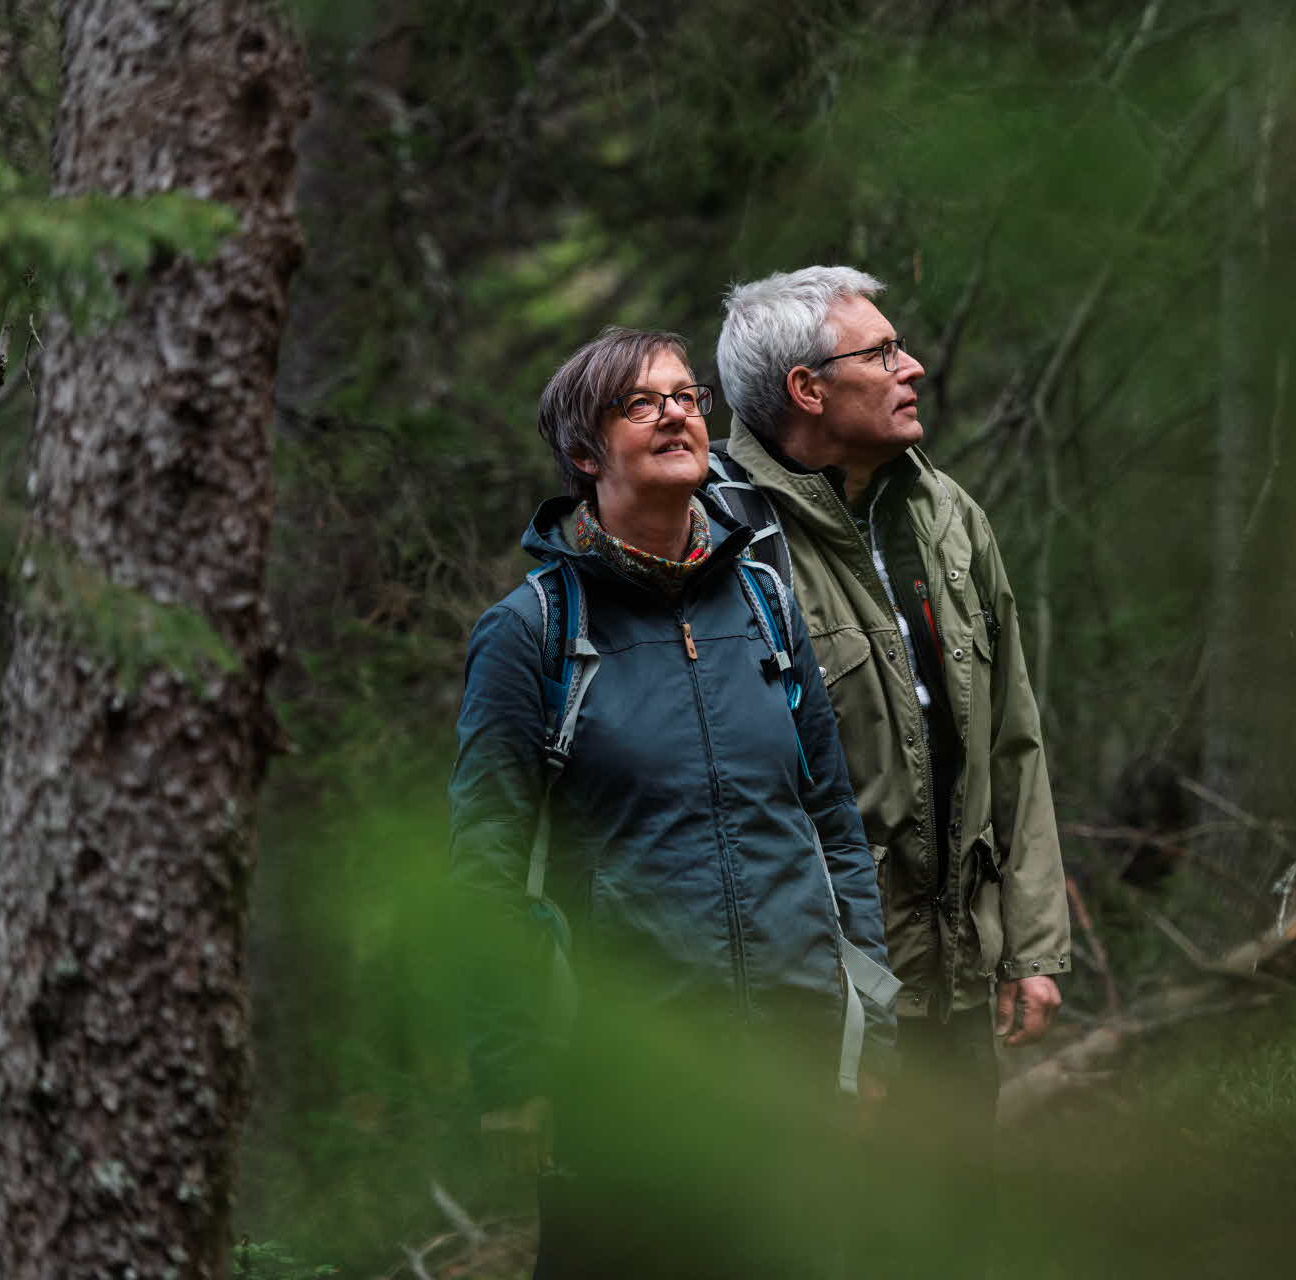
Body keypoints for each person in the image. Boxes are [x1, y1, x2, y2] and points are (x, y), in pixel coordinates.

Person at [447, 325, 894, 1277]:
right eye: (641, 402)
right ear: (582, 452)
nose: (677, 414)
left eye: (688, 396)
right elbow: (483, 867)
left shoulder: (767, 605)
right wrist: (512, 1075)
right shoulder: (531, 632)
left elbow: (834, 829)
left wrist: (871, 1030)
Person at [712, 267, 1071, 1132]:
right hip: (817, 1009)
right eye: (882, 352)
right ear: (807, 388)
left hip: (957, 986)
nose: (912, 367)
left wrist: (1032, 948)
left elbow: (1012, 742)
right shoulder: (722, 539)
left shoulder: (947, 514)